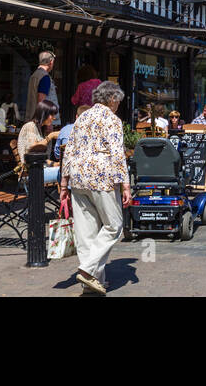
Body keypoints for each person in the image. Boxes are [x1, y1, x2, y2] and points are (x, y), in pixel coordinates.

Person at [62, 81, 130, 295]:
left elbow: (69, 149)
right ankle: (88, 270)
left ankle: (91, 283)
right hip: (102, 177)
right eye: (118, 100)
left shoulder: (82, 117)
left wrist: (64, 182)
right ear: (112, 99)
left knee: (86, 231)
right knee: (114, 225)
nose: (118, 104)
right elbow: (117, 153)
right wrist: (125, 184)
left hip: (78, 178)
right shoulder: (112, 119)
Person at [18, 99, 61, 184]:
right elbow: (34, 150)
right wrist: (50, 136)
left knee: (66, 170)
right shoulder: (30, 126)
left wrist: (55, 164)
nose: (54, 118)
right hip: (31, 173)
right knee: (65, 173)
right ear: (44, 114)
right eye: (52, 115)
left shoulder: (40, 129)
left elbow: (41, 159)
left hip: (38, 170)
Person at [26, 51, 59, 120]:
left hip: (34, 117)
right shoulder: (44, 77)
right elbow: (41, 100)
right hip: (43, 120)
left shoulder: (34, 75)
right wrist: (47, 120)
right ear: (51, 62)